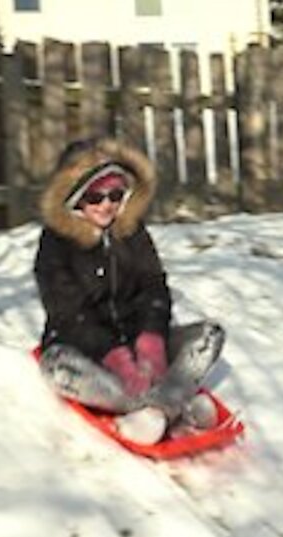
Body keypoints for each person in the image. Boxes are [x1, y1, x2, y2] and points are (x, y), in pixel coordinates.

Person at [34, 137, 226, 445]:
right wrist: (117, 357)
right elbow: (68, 312)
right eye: (95, 196)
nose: (107, 204)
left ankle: (160, 407)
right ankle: (163, 409)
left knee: (210, 335)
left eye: (115, 194)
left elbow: (154, 288)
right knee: (58, 369)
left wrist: (150, 341)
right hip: (85, 348)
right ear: (75, 198)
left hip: (140, 347)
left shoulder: (131, 232)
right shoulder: (55, 244)